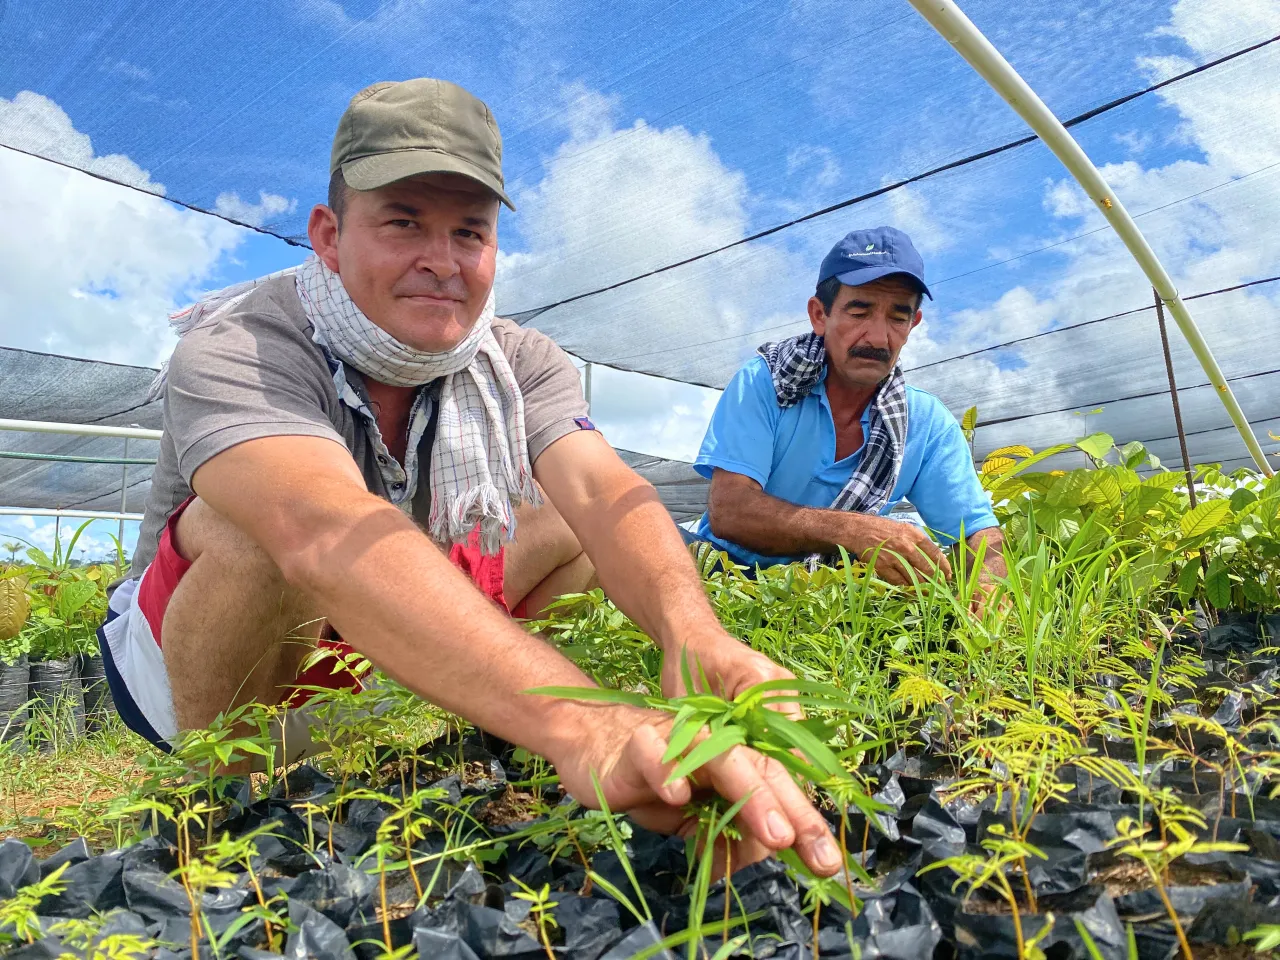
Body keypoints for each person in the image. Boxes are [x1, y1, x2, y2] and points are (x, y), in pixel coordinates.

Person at [96, 78, 841, 876]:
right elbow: (322, 532)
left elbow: (601, 490)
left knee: (570, 528)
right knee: (252, 525)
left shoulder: (517, 361)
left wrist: (694, 635)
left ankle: (500, 745)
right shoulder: (244, 343)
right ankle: (221, 817)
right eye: (403, 222)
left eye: (469, 232)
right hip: (189, 681)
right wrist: (585, 723)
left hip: (362, 656)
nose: (441, 262)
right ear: (328, 233)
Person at [685, 226, 1005, 596]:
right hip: (724, 572)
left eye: (897, 317)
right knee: (630, 541)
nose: (878, 338)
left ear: (913, 324)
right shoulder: (766, 381)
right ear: (819, 315)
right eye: (859, 312)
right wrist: (853, 531)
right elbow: (731, 511)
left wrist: (989, 586)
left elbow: (978, 533)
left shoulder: (925, 422)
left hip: (834, 592)